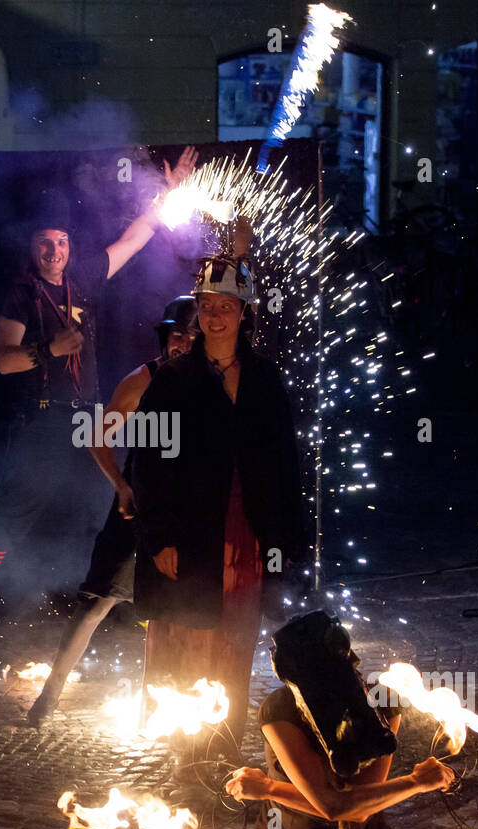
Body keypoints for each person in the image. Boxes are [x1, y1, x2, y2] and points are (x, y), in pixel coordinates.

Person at [0, 147, 198, 625]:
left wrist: (169, 192)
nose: (54, 251)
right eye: (44, 243)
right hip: (44, 420)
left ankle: (125, 609)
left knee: (120, 503)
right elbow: (2, 361)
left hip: (87, 416)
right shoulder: (21, 294)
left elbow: (135, 238)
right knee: (10, 520)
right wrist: (49, 350)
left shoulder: (82, 277)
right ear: (32, 247)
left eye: (60, 242)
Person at [132, 252, 309, 765]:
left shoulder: (263, 379)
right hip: (192, 532)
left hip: (246, 531)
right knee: (190, 637)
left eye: (226, 305)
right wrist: (160, 536)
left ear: (243, 312)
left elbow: (283, 461)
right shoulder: (173, 380)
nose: (215, 315)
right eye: (207, 305)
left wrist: (287, 535)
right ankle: (190, 756)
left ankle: (225, 751)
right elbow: (149, 463)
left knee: (235, 640)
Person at [25, 300, 197, 725]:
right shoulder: (141, 381)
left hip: (191, 513)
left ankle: (161, 708)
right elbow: (96, 438)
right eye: (178, 335)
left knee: (180, 609)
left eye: (194, 338)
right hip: (140, 508)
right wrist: (122, 486)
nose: (185, 345)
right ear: (165, 336)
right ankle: (49, 695)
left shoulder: (214, 384)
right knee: (98, 601)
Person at [224, 611, 455, 829]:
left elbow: (360, 807)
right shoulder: (280, 708)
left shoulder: (382, 701)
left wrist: (269, 789)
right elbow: (332, 806)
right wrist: (415, 782)